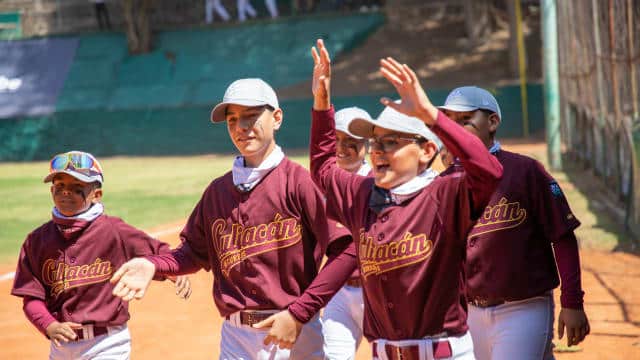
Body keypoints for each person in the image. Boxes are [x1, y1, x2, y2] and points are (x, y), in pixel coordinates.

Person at [253, 39, 503, 360]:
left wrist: (431, 116)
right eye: (375, 142)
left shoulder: (446, 194)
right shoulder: (362, 195)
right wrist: (322, 103)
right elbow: (324, 169)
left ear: (426, 151)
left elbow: (489, 171)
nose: (377, 151)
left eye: (390, 142)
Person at [109, 78, 350, 359]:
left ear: (277, 118)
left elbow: (345, 249)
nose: (241, 127)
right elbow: (191, 253)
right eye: (232, 119)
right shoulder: (217, 192)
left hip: (291, 331)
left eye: (251, 116)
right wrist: (153, 264)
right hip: (236, 337)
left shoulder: (298, 182)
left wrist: (300, 313)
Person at [438, 86, 590, 360]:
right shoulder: (444, 182)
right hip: (468, 312)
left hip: (523, 307)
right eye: (450, 122)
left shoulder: (525, 171)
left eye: (465, 120)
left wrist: (572, 302)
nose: (456, 130)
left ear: (493, 122)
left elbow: (563, 237)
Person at [10, 150, 191, 360]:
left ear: (96, 195)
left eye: (77, 188)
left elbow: (160, 252)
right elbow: (31, 298)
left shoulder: (114, 230)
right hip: (61, 348)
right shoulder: (37, 240)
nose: (66, 192)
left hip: (107, 343)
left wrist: (175, 271)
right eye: (60, 186)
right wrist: (48, 325)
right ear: (51, 191)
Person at [321, 107, 372, 359]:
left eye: (351, 141)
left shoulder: (379, 183)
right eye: (336, 140)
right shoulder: (321, 185)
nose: (341, 147)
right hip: (339, 294)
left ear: (367, 145)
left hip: (378, 292)